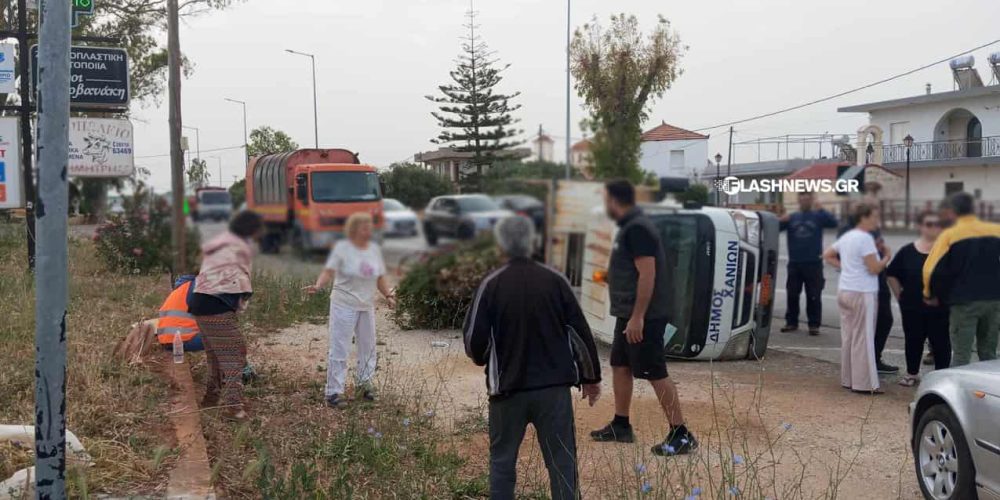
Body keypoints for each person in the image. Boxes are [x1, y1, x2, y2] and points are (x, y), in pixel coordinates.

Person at [464, 216, 602, 500]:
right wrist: (591, 377)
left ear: (501, 244)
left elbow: (473, 341)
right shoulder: (555, 280)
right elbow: (579, 332)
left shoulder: (490, 284)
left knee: (502, 462)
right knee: (562, 463)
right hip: (553, 391)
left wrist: (486, 360)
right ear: (532, 242)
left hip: (507, 390)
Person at [589, 180, 698, 456]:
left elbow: (648, 274)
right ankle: (621, 425)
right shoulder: (630, 226)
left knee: (654, 371)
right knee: (621, 365)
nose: (605, 206)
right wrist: (611, 278)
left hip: (644, 317)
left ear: (615, 200)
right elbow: (632, 268)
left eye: (605, 200)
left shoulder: (638, 228)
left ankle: (681, 434)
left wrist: (638, 317)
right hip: (627, 314)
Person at [305, 212, 395, 408]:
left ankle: (364, 385)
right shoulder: (342, 248)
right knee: (340, 348)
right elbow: (329, 271)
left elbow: (379, 277)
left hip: (366, 305)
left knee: (368, 347)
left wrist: (388, 295)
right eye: (364, 227)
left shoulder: (374, 250)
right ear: (354, 229)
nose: (369, 230)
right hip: (343, 303)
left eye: (370, 227)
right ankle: (334, 392)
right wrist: (318, 285)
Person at [191, 210, 263, 420]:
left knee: (215, 354)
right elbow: (242, 279)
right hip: (217, 303)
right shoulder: (241, 247)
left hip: (199, 302)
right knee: (234, 353)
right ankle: (234, 408)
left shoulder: (219, 242)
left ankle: (211, 398)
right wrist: (239, 307)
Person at [923, 192, 1000, 367]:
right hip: (994, 300)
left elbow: (930, 268)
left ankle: (961, 392)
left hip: (964, 302)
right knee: (989, 353)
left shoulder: (950, 235)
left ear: (953, 212)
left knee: (961, 355)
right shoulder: (996, 230)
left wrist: (929, 293)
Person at [823, 203, 889, 393]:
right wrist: (887, 257)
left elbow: (828, 255)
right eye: (874, 216)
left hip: (845, 289)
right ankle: (864, 383)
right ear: (864, 217)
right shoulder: (865, 238)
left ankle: (848, 378)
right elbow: (874, 268)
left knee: (849, 336)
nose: (877, 220)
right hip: (862, 291)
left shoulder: (848, 237)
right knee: (864, 337)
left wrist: (847, 267)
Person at [886, 211, 950, 386]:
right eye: (929, 224)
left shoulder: (947, 251)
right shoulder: (908, 251)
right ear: (920, 226)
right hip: (913, 307)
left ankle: (941, 377)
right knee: (913, 340)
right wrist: (900, 296)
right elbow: (891, 273)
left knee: (941, 342)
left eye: (938, 224)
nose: (934, 228)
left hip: (940, 308)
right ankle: (912, 373)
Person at [838, 204, 898, 375]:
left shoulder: (873, 228)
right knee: (860, 326)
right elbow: (840, 255)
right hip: (862, 284)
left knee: (884, 320)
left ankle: (873, 359)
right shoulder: (850, 231)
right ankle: (858, 366)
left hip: (878, 279)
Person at [779, 192, 839, 336]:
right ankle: (791, 322)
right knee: (792, 294)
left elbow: (834, 223)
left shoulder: (818, 216)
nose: (805, 200)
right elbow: (775, 228)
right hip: (795, 263)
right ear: (798, 200)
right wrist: (781, 220)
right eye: (802, 198)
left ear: (812, 200)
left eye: (808, 198)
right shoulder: (792, 217)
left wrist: (822, 209)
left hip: (814, 263)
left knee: (814, 295)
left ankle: (814, 325)